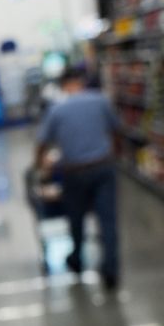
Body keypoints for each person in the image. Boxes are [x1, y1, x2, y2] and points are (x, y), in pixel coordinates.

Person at [35, 66, 121, 288]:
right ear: (81, 82)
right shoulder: (100, 100)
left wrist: (40, 165)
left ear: (64, 86)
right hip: (103, 166)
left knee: (76, 218)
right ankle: (111, 269)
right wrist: (115, 155)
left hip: (74, 172)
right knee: (107, 220)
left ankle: (77, 260)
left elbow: (42, 142)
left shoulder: (57, 109)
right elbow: (116, 130)